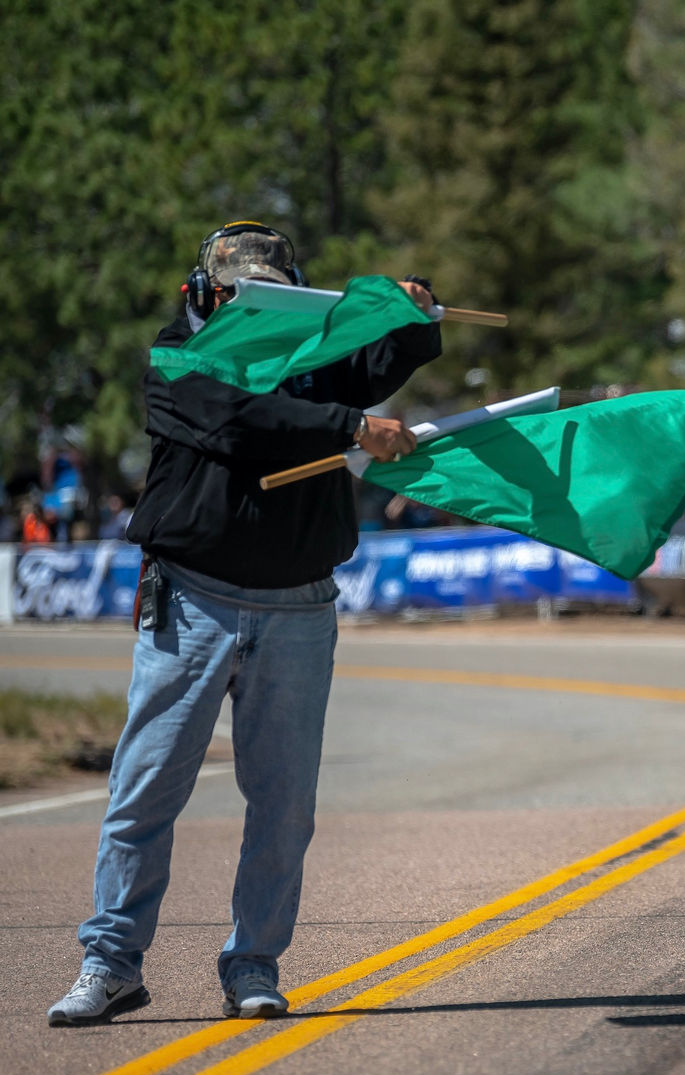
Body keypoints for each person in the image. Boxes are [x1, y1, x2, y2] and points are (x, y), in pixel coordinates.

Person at [47, 222, 440, 1027]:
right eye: (237, 296)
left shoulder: (311, 354)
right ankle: (110, 963)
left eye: (272, 296)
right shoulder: (175, 360)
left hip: (299, 606)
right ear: (203, 293)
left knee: (285, 803)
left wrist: (414, 318)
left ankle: (253, 965)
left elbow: (371, 369)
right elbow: (235, 418)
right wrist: (346, 427)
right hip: (192, 600)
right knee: (145, 788)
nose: (251, 310)